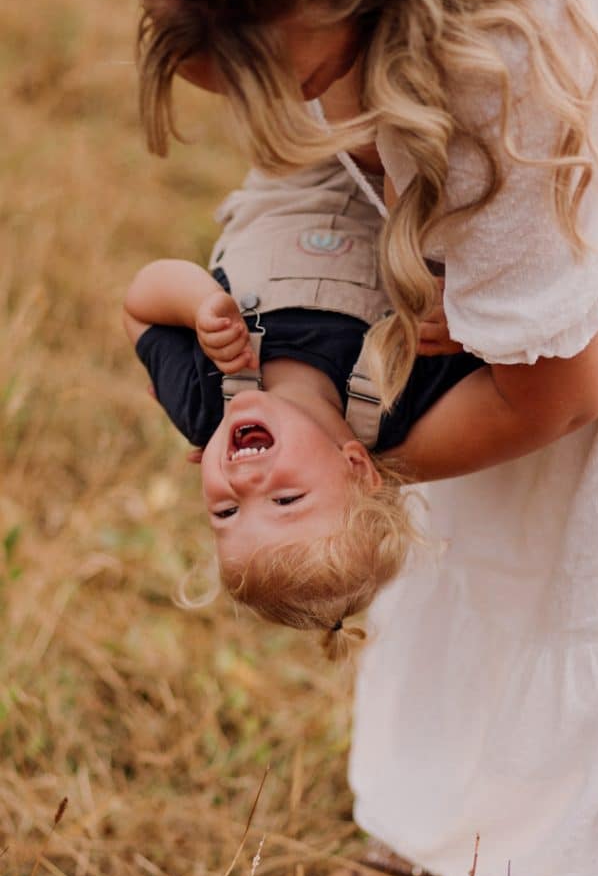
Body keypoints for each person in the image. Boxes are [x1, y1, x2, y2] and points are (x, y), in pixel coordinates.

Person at [126, 0, 598, 876]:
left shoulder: (512, 71)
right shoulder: (355, 409)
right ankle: (420, 866)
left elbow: (556, 392)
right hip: (500, 246)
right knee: (467, 570)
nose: (243, 483)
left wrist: (362, 463)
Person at [123, 161, 481, 658]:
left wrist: (198, 303)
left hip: (296, 164)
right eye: (285, 500)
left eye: (225, 511)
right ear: (356, 467)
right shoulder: (397, 398)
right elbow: (492, 359)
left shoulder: (202, 403)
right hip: (414, 185)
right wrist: (463, 325)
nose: (245, 486)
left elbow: (139, 303)